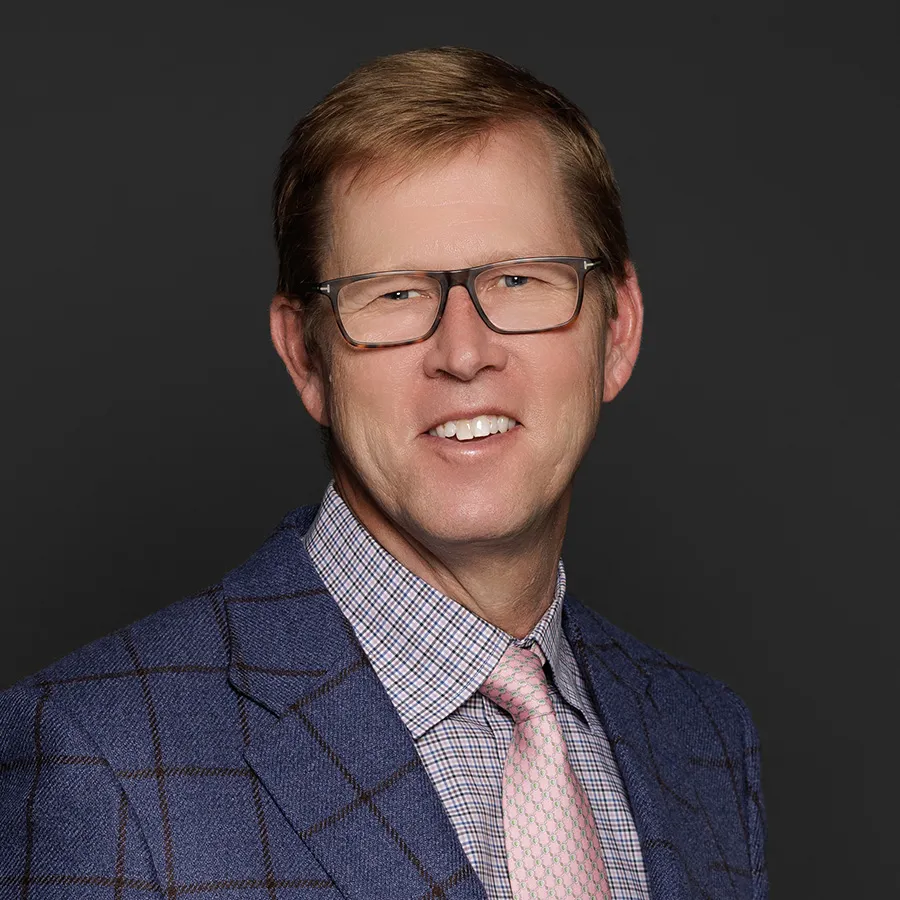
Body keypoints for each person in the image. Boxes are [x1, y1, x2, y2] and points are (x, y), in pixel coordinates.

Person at [0, 47, 767, 899]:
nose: (465, 354)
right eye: (394, 294)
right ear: (306, 357)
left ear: (616, 331)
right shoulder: (103, 758)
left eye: (519, 279)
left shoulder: (704, 737)